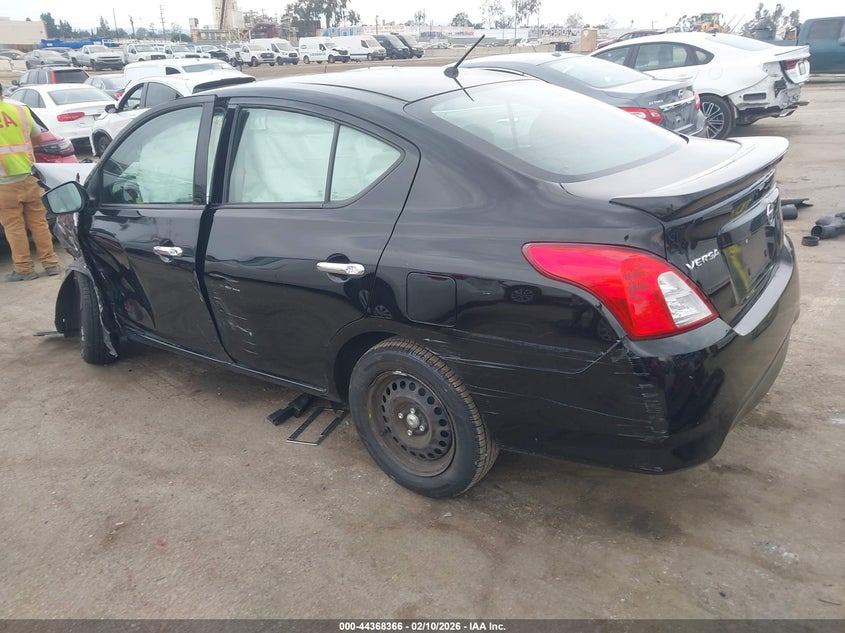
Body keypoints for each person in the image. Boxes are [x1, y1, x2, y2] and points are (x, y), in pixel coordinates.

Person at [0, 83, 60, 281]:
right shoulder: (21, 110)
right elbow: (38, 137)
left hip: (3, 183)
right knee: (39, 223)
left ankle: (24, 269)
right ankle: (51, 264)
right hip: (29, 175)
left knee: (14, 227)